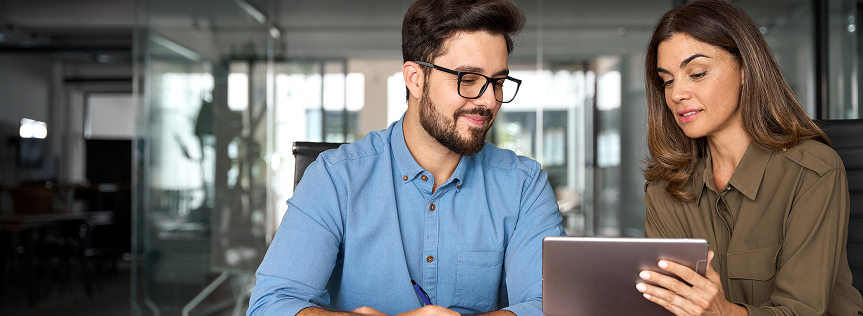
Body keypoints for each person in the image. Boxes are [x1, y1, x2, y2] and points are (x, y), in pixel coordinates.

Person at [247, 1, 566, 315]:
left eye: (498, 82)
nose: (489, 100)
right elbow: (270, 305)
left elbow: (554, 306)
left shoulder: (524, 184)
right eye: (468, 80)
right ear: (415, 79)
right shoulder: (335, 177)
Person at [638, 0, 863, 315]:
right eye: (667, 80)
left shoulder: (813, 172)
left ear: (745, 69)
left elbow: (803, 310)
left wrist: (724, 312)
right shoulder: (666, 189)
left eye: (697, 73)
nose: (677, 94)